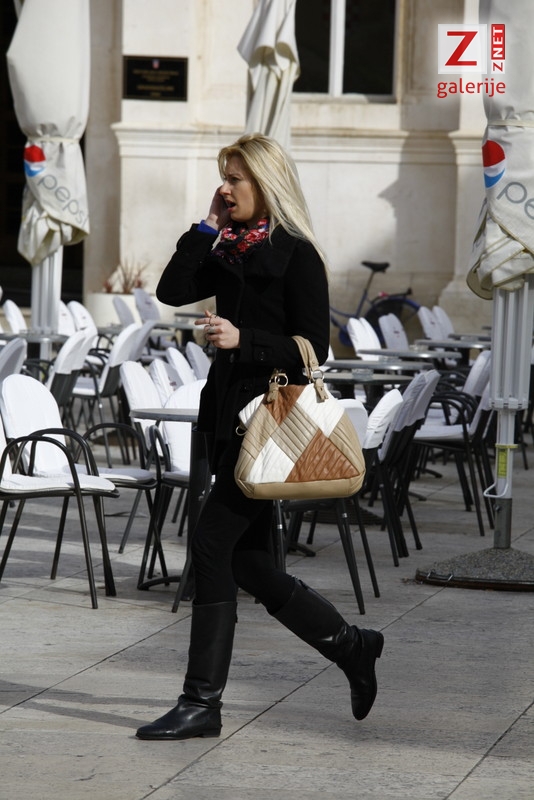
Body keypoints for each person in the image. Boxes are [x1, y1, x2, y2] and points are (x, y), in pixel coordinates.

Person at [136, 133, 384, 741]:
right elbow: (170, 291)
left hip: (270, 424)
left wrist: (242, 340)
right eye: (223, 177)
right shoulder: (228, 247)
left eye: (235, 179)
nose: (225, 188)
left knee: (210, 543)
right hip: (228, 419)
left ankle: (201, 703)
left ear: (266, 184)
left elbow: (315, 348)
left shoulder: (297, 253)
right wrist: (205, 227)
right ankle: (351, 645)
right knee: (248, 563)